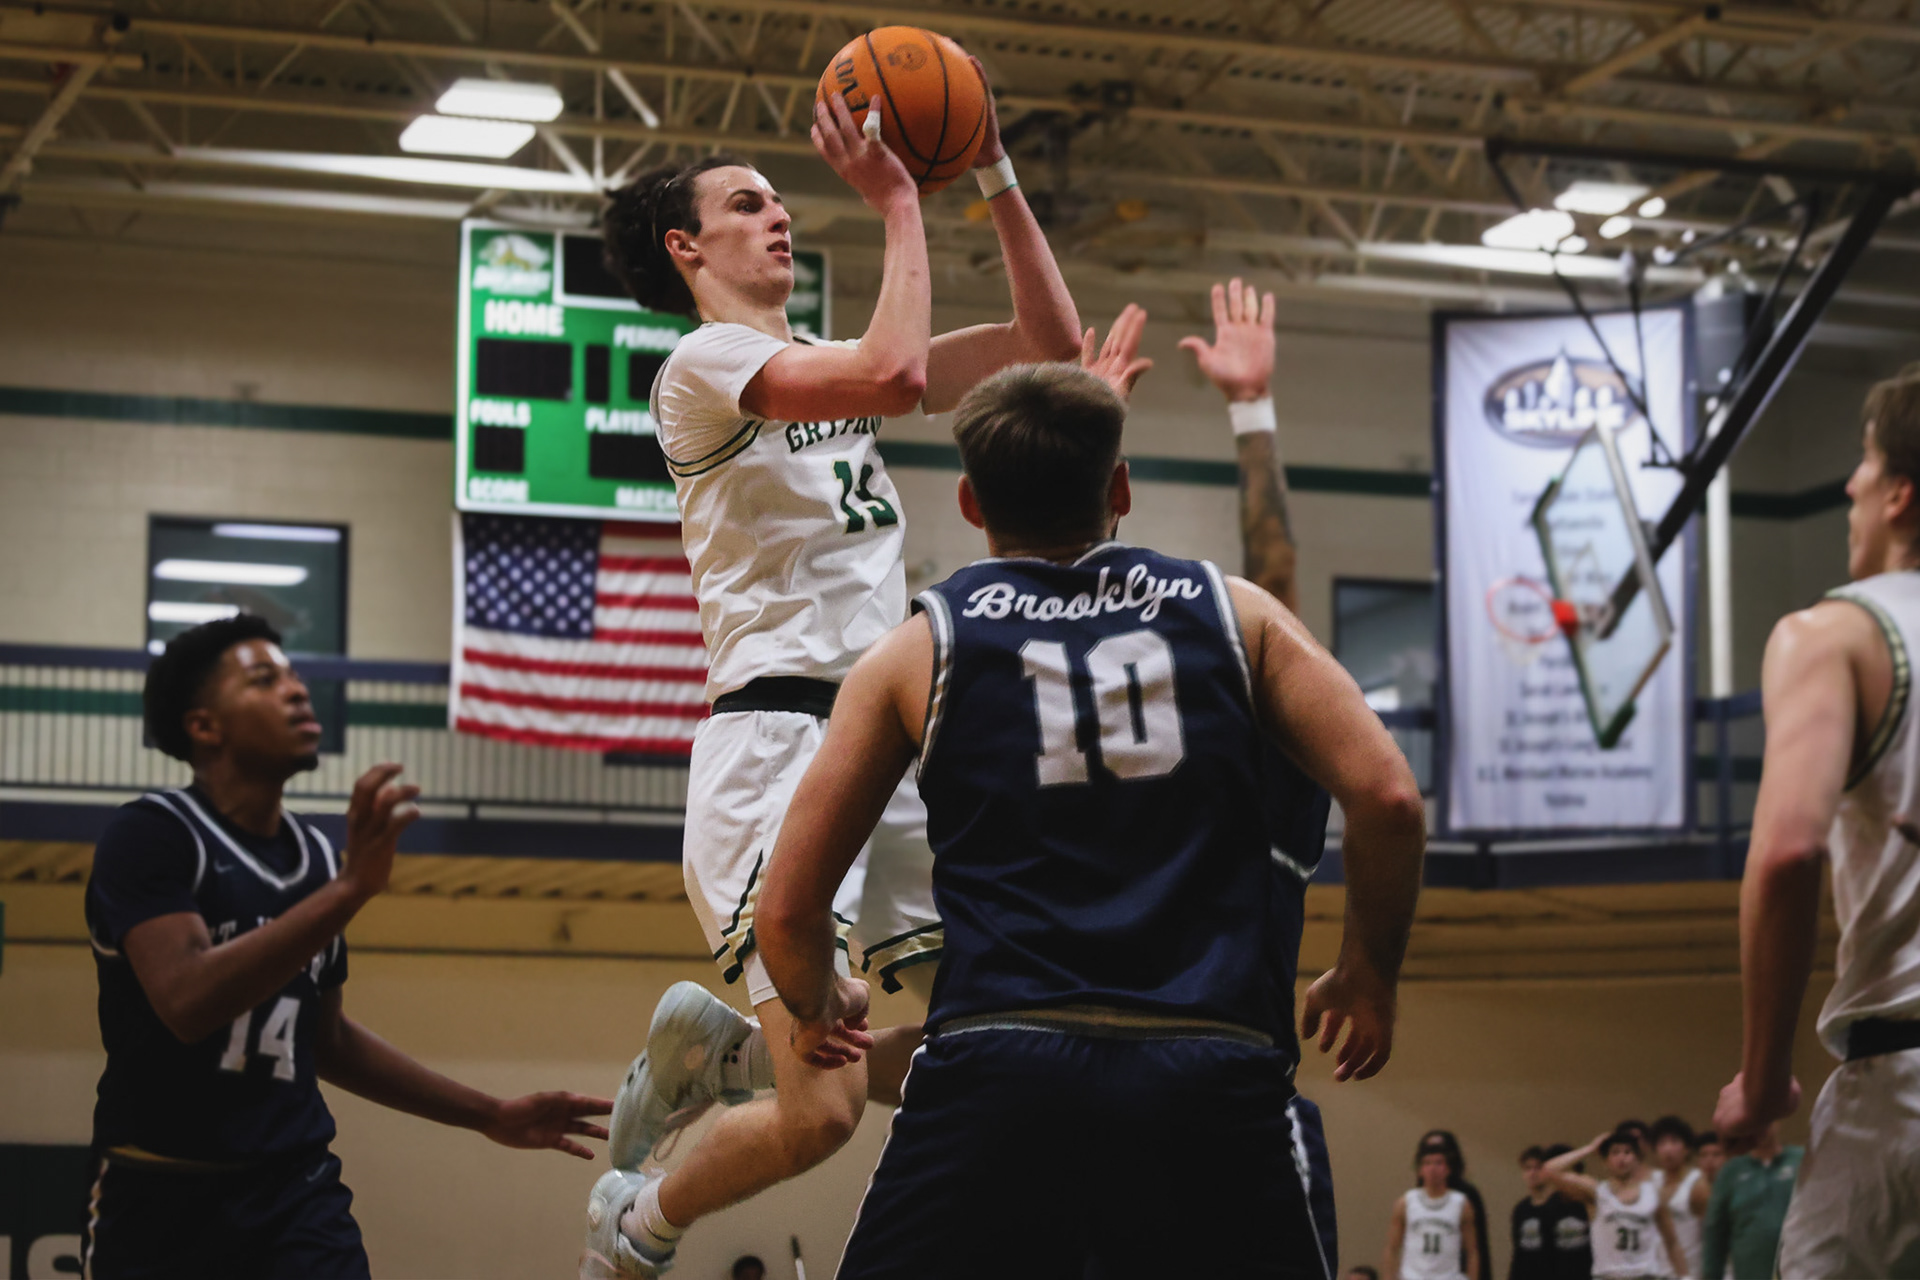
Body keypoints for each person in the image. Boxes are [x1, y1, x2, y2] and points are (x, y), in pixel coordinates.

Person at [754, 358, 1428, 1276]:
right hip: (1212, 1068)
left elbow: (788, 912)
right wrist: (1366, 971)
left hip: (999, 1071)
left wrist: (816, 1002)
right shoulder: (1239, 616)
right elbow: (1390, 799)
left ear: (968, 502)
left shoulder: (918, 651)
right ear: (1120, 486)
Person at [581, 63, 1084, 1279]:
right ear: (685, 246)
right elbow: (900, 374)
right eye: (749, 203)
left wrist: (994, 171)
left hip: (895, 751)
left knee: (999, 1025)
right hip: (780, 749)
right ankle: (637, 1217)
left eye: (777, 199)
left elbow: (1052, 348)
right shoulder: (701, 368)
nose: (779, 213)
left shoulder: (826, 370)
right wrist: (901, 202)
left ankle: (727, 1054)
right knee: (824, 1119)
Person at [80, 616, 611, 1278]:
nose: (297, 691)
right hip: (159, 1193)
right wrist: (353, 888)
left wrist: (489, 1113)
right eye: (265, 679)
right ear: (204, 726)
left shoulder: (315, 859)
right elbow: (186, 1000)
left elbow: (324, 1038)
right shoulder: (153, 834)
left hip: (292, 1192)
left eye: (295, 675)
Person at [1711, 363, 1920, 1277]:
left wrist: (1762, 1081)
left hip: (1899, 1096)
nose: (1850, 485)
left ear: (1901, 496)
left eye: (1866, 463)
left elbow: (1789, 852)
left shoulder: (1834, 636)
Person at [1187, 275, 1339, 1272]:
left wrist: (1254, 413)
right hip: (1205, 1091)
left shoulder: (1257, 775)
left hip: (1222, 1090)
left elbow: (1275, 584)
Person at [1545, 1130, 1685, 1280]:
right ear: (1605, 1161)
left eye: (1627, 1152)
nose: (1622, 1158)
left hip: (1646, 1275)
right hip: (1609, 1275)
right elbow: (1550, 1169)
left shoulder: (1652, 1193)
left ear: (1636, 1159)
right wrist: (1591, 1148)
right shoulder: (1597, 1192)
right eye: (1615, 1152)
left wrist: (1685, 1277)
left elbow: (1672, 1241)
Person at [1699, 1123, 1803, 1280]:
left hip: (1800, 1271)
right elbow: (1715, 1233)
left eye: (1767, 1120)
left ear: (1777, 1122)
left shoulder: (1800, 1160)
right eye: (1758, 1120)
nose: (1762, 1127)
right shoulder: (1732, 1171)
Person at [1388, 1142, 1480, 1280]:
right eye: (1427, 1163)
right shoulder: (1406, 1202)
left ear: (1448, 1169)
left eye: (1438, 1163)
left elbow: (1472, 1251)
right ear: (1420, 1170)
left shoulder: (1461, 1203)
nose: (1432, 1168)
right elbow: (1392, 1248)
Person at [1414, 1129, 1494, 1280]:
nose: (1433, 1167)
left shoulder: (1466, 1196)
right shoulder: (1413, 1198)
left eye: (1439, 1159)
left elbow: (1477, 1248)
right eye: (1428, 1159)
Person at [1511, 1144, 1592, 1280]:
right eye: (1527, 1168)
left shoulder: (1587, 1202)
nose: (1532, 1173)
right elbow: (1521, 1254)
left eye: (1537, 1168)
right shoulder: (1529, 1209)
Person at [1648, 1117, 1704, 1277]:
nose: (1668, 1149)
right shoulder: (1652, 1182)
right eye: (1662, 1144)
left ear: (1686, 1148)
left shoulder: (1698, 1183)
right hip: (1655, 1272)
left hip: (1691, 1272)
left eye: (1674, 1142)